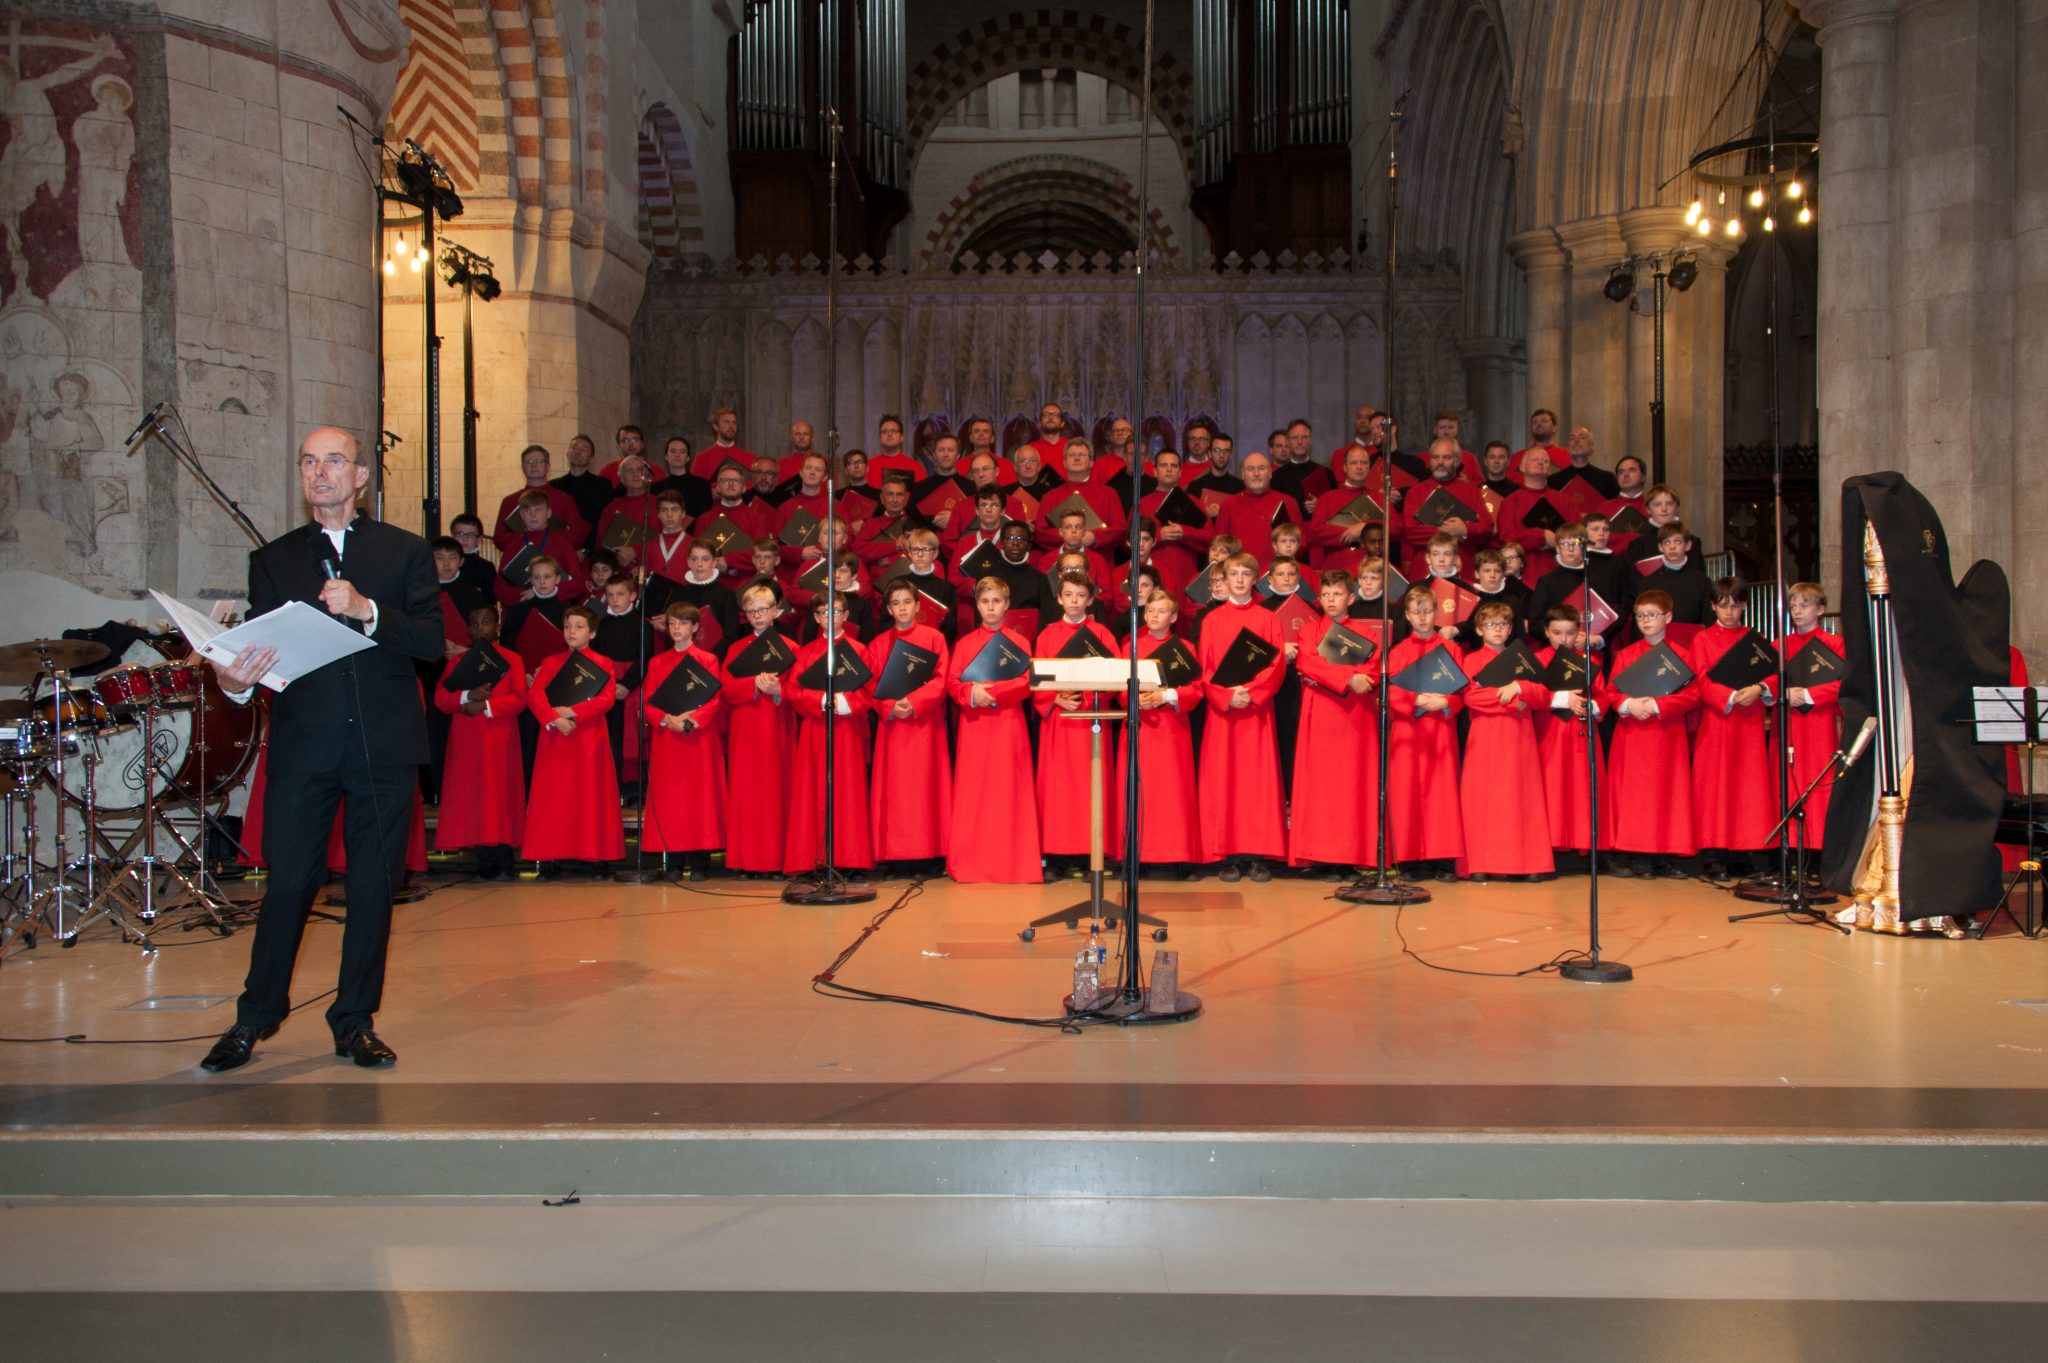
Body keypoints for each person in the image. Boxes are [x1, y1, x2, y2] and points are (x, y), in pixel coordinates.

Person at [198, 426, 443, 1074]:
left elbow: (430, 641)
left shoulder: (404, 551)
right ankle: (255, 1016)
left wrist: (368, 610)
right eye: (309, 461)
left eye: (333, 461)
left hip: (383, 745)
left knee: (370, 888)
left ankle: (354, 1021)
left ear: (360, 476)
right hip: (307, 743)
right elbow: (259, 654)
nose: (320, 472)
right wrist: (235, 680)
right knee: (288, 884)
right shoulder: (275, 559)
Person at [945, 576, 1043, 883]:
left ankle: (1012, 863)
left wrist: (991, 693)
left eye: (996, 601)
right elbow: (952, 682)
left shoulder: (1020, 642)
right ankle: (974, 863)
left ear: (1007, 605)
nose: (991, 607)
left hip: (1008, 725)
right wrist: (970, 694)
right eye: (985, 601)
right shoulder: (964, 643)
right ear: (977, 605)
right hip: (975, 726)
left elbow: (1028, 682)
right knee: (975, 793)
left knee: (1008, 792)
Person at [1596, 589, 1699, 878]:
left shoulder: (1681, 655)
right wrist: (1629, 704)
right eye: (1641, 616)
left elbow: (1693, 694)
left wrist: (1656, 704)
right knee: (1636, 796)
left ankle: (1665, 856)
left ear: (1668, 616)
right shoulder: (1626, 654)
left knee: (1667, 794)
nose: (1646, 621)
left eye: (1652, 615)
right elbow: (1612, 692)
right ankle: (1638, 854)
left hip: (1666, 733)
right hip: (1633, 734)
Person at [1198, 552, 1288, 879]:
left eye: (1245, 573)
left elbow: (1276, 665)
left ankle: (1257, 854)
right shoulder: (1212, 620)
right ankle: (1227, 855)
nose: (1238, 579)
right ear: (1224, 578)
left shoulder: (1268, 619)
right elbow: (1204, 668)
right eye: (1233, 573)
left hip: (1254, 711)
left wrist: (1251, 695)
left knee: (1257, 784)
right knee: (1225, 782)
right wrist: (1226, 696)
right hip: (1224, 714)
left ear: (1255, 579)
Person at [1288, 570, 1381, 877]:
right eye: (1325, 594)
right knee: (1321, 785)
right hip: (1322, 713)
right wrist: (1348, 677)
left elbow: (1370, 667)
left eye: (1337, 594)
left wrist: (1345, 676)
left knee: (1353, 785)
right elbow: (1307, 662)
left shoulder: (1368, 633)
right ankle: (1320, 854)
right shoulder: (1310, 631)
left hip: (1356, 716)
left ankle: (1351, 853)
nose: (1330, 600)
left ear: (1351, 598)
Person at [522, 604, 625, 877]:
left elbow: (606, 698)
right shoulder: (550, 662)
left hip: (589, 737)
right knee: (555, 798)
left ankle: (594, 856)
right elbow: (535, 696)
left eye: (578, 627)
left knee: (590, 795)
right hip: (556, 737)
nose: (571, 631)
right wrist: (555, 719)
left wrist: (572, 712)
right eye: (568, 626)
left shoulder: (603, 663)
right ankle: (551, 855)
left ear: (591, 633)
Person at [1456, 601, 1555, 881]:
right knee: (1485, 799)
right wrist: (1514, 700)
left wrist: (1520, 686)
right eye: (1491, 625)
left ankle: (1526, 863)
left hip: (1518, 736)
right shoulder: (1471, 660)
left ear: (1511, 629)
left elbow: (1542, 695)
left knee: (1520, 797)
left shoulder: (1522, 658)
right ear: (1479, 630)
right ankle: (1481, 862)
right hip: (1486, 736)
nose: (1497, 630)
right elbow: (1471, 698)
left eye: (1503, 625)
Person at [1109, 594, 1203, 878]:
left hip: (1171, 730)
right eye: (1150, 610)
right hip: (1140, 728)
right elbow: (1118, 688)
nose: (1154, 616)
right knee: (1138, 791)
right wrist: (1136, 700)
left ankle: (1178, 856)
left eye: (1162, 611)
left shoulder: (1185, 648)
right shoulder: (1130, 646)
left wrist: (1166, 695)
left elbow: (1196, 688)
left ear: (1173, 617)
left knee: (1173, 793)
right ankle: (1137, 856)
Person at [1691, 578, 1779, 879]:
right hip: (1717, 720)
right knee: (1715, 784)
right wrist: (1728, 696)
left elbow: (1775, 674)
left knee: (1748, 784)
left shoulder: (1755, 637)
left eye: (1735, 605)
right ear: (1714, 606)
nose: (1729, 612)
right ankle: (1714, 853)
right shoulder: (1702, 640)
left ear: (1744, 605)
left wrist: (1759, 688)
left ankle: (1747, 849)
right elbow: (1700, 679)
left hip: (1749, 719)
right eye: (1723, 605)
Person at [783, 591, 875, 877]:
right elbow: (793, 691)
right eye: (823, 612)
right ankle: (816, 858)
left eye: (835, 611)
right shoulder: (806, 652)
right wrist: (823, 701)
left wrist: (845, 703)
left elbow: (869, 691)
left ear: (846, 616)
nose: (829, 617)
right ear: (815, 618)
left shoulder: (860, 650)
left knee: (849, 791)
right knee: (814, 791)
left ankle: (851, 858)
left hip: (847, 728)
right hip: (816, 728)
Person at [1034, 573, 1120, 878]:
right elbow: (1037, 678)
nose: (1073, 601)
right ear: (1059, 599)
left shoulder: (1102, 633)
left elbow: (1116, 676)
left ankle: (1090, 856)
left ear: (1090, 599)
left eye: (1080, 595)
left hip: (1091, 721)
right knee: (1059, 790)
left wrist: (1089, 697)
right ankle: (1057, 857)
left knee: (1090, 787)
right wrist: (1054, 700)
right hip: (1059, 721)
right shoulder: (1046, 635)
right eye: (1068, 595)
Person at [433, 604, 527, 880]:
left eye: (486, 622)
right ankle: (484, 861)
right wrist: (465, 698)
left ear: (497, 626)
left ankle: (505, 860)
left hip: (499, 736)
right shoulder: (456, 662)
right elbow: (441, 699)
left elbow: (520, 698)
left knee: (500, 796)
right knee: (474, 796)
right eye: (474, 623)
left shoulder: (512, 659)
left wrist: (485, 704)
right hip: (467, 738)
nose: (480, 628)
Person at [866, 578, 952, 875]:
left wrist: (914, 702)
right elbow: (870, 685)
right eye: (895, 603)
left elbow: (942, 679)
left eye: (907, 602)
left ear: (917, 606)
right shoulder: (877, 644)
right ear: (888, 609)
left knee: (925, 790)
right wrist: (889, 707)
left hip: (924, 724)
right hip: (893, 728)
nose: (902, 607)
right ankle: (895, 854)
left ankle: (928, 854)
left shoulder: (934, 638)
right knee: (895, 793)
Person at [1384, 584, 1465, 881]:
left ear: (1436, 612)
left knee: (1440, 794)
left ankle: (1442, 859)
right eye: (1416, 612)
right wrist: (1415, 700)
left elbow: (1463, 689)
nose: (1422, 617)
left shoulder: (1452, 649)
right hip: (1407, 730)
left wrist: (1446, 701)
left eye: (1428, 611)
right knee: (1406, 794)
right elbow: (1387, 691)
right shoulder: (1397, 652)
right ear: (1407, 615)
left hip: (1440, 728)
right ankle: (1409, 860)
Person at [640, 602, 727, 878]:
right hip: (669, 739)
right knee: (671, 801)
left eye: (682, 623)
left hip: (697, 739)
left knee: (699, 800)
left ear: (695, 627)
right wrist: (668, 719)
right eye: (672, 623)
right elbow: (649, 701)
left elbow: (713, 700)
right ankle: (674, 862)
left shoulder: (707, 660)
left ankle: (701, 862)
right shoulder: (657, 662)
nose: (676, 628)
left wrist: (689, 721)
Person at [721, 583, 795, 876]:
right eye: (750, 611)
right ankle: (746, 860)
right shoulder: (736, 649)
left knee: (777, 791)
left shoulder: (791, 648)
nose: (757, 616)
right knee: (746, 793)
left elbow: (801, 689)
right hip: (746, 728)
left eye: (762, 609)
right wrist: (752, 685)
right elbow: (726, 688)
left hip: (777, 727)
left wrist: (780, 689)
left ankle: (776, 859)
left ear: (775, 611)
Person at [1531, 606, 1603, 865]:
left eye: (1570, 633)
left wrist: (1590, 704)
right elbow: (1531, 696)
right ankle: (1551, 845)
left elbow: (1603, 694)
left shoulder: (1589, 661)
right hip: (1549, 730)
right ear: (1547, 632)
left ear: (1579, 633)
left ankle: (1584, 844)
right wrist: (1559, 698)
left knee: (1582, 786)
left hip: (1582, 730)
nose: (1564, 639)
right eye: (1557, 633)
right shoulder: (1537, 660)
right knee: (1553, 786)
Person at [1781, 581, 1845, 857]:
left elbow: (1845, 685)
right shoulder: (1780, 645)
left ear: (1820, 609)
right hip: (1789, 724)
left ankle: (1819, 849)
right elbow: (1767, 683)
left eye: (1804, 606)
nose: (1797, 611)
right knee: (1787, 781)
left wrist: (1807, 694)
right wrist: (1782, 692)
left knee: (1819, 785)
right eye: (1793, 606)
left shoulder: (1835, 645)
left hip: (1821, 724)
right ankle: (1789, 848)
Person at [1211, 453, 1302, 567]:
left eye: (1261, 468)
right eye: (1250, 469)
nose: (1256, 473)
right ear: (1243, 474)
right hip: (1239, 577)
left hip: (1278, 576)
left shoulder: (1288, 502)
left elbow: (1302, 542)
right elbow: (1219, 546)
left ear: (1270, 473)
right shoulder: (1229, 504)